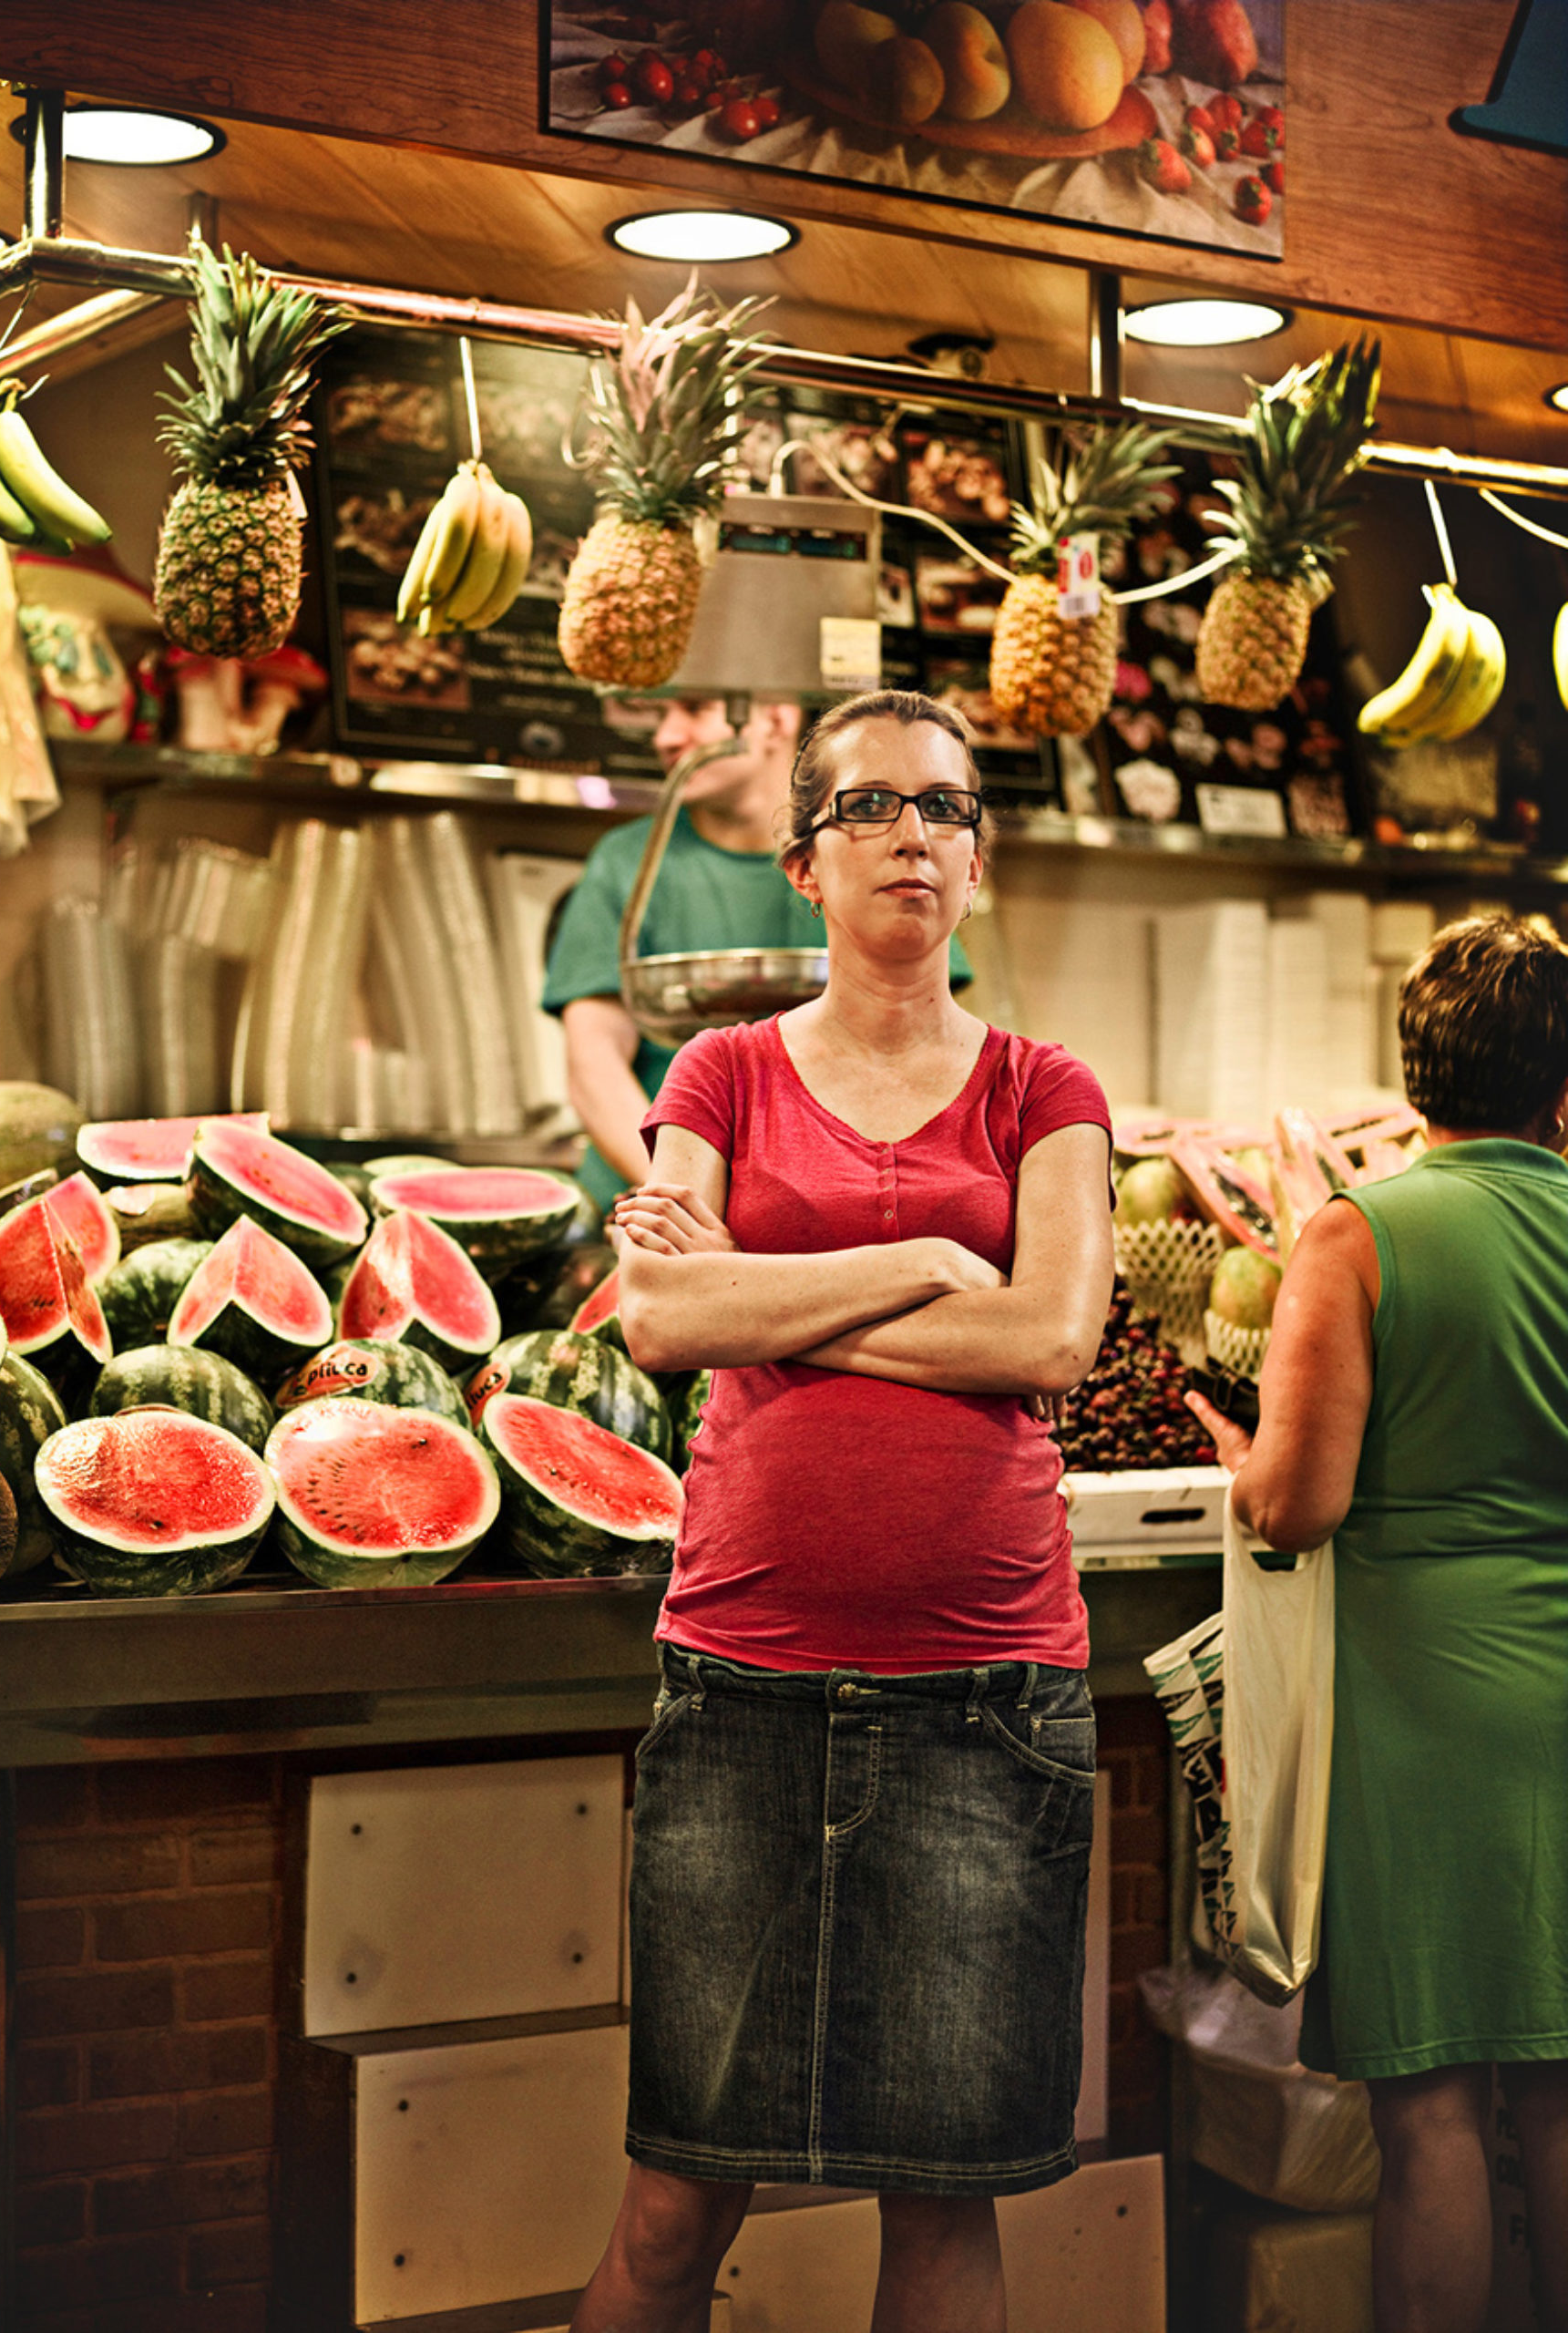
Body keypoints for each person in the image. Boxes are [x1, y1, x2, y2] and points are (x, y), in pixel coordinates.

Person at [566, 689, 1117, 2333]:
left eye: (945, 809)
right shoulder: (721, 1070)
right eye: (871, 807)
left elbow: (1053, 1336)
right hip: (744, 1687)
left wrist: (771, 1292)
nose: (912, 835)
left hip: (988, 1702)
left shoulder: (1042, 1085)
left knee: (944, 2222)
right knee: (674, 2207)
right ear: (806, 864)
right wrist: (923, 1260)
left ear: (981, 863)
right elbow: (658, 1320)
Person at [1187, 914, 1568, 2333]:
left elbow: (1292, 1506)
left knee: (1436, 2114)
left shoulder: (1357, 1235)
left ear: (1416, 1077)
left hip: (1425, 1714)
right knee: (1563, 2095)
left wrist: (1238, 1455)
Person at [542, 691, 971, 1213]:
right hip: (651, 1192)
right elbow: (594, 1062)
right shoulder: (627, 861)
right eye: (659, 716)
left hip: (819, 1203)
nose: (666, 737)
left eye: (694, 709)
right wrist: (682, 1200)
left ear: (775, 717)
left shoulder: (870, 860)